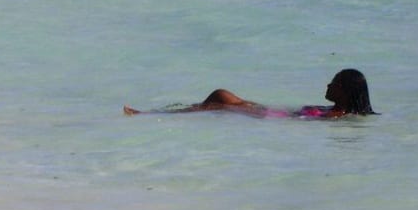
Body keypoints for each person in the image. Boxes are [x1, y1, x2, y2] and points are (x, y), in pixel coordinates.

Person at [123, 69, 376, 119]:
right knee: (218, 97)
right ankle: (164, 113)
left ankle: (152, 114)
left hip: (272, 116)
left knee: (220, 98)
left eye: (333, 83)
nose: (328, 86)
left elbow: (302, 123)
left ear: (343, 91)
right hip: (271, 112)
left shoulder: (336, 115)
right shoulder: (338, 113)